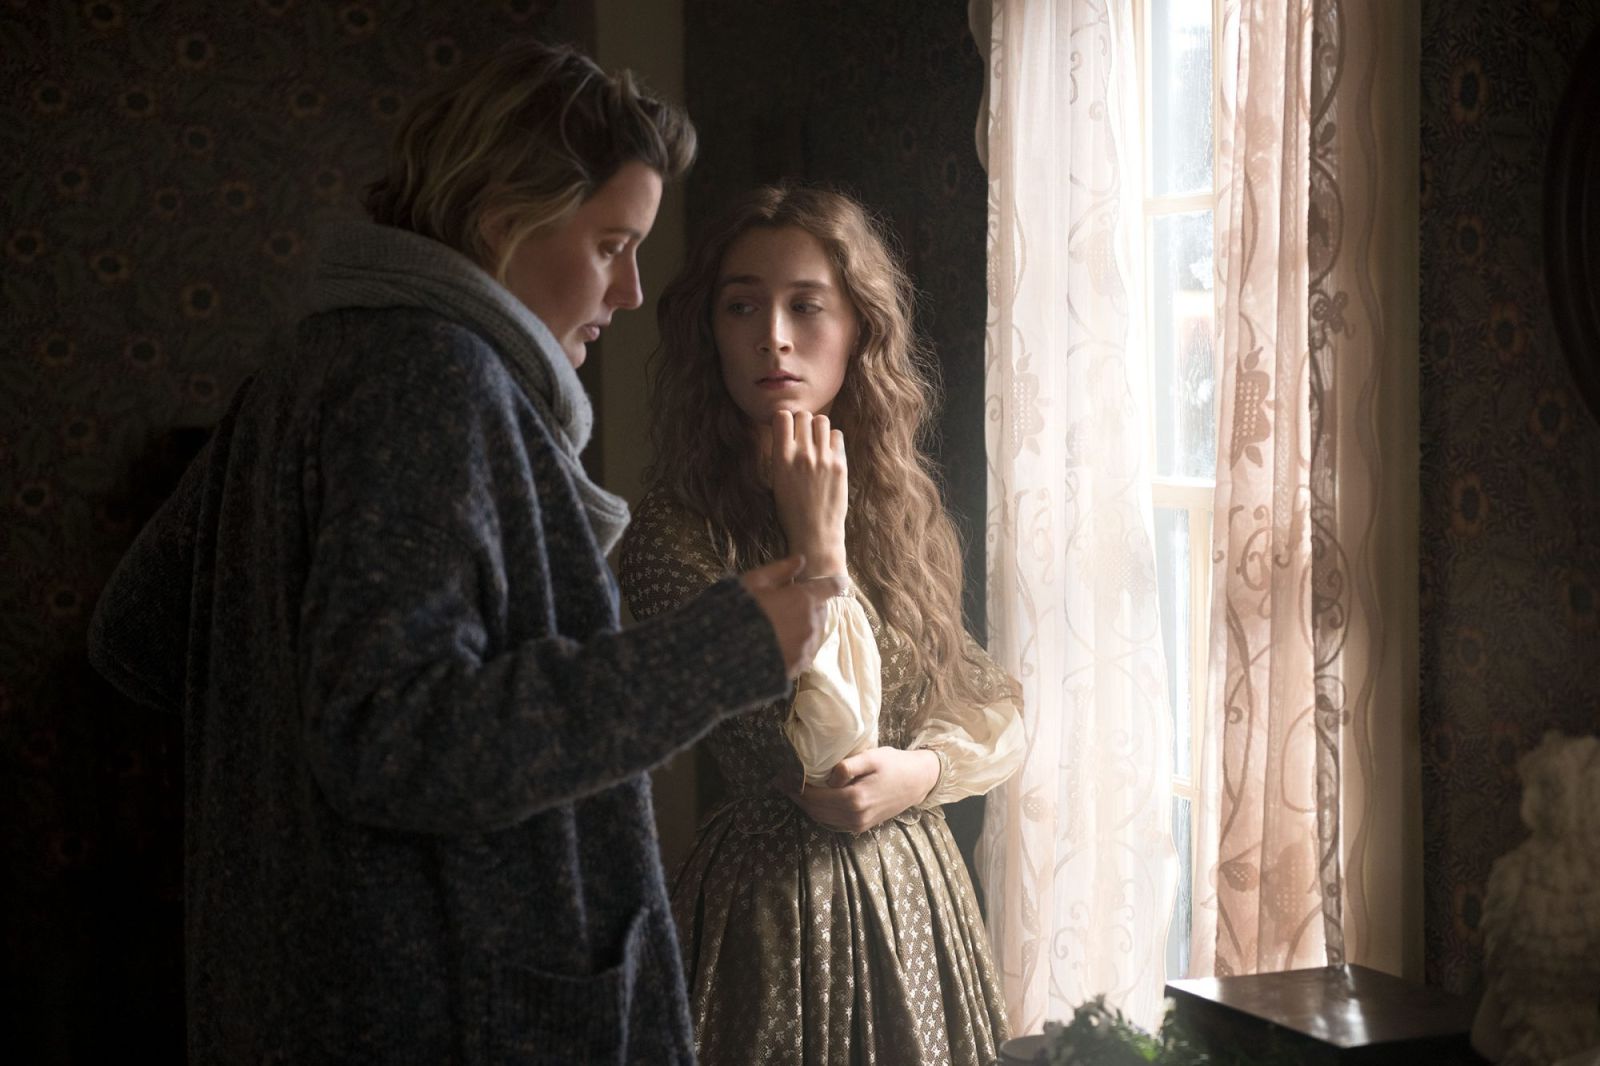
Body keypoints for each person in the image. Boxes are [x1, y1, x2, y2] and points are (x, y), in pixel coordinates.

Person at [88, 42, 841, 1065]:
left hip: (294, 987)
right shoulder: (432, 379)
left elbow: (136, 632)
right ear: (503, 221)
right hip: (439, 1013)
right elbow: (396, 737)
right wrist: (722, 651)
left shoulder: (311, 361)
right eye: (611, 244)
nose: (629, 290)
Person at [619, 184, 1027, 1065]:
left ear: (857, 329)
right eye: (742, 307)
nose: (773, 335)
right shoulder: (674, 532)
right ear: (710, 333)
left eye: (806, 306)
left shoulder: (898, 505)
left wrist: (923, 771)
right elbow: (822, 759)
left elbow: (991, 701)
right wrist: (818, 548)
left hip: (919, 904)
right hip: (771, 917)